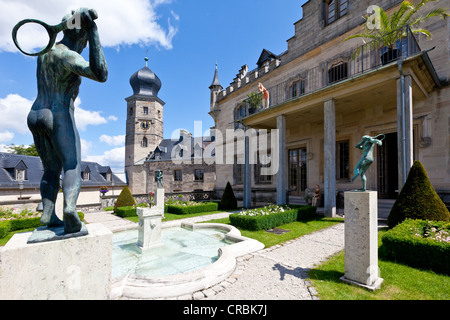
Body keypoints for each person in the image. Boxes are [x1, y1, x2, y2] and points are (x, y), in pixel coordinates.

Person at [27, 8, 108, 234]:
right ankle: (70, 209)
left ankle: (48, 213)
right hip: (59, 112)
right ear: (80, 37)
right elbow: (100, 74)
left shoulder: (46, 52)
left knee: (50, 169)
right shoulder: (68, 55)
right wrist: (93, 31)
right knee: (72, 165)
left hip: (35, 114)